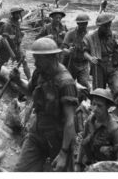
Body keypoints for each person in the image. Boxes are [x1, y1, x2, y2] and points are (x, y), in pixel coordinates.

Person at [11, 37, 79, 172]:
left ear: (51, 58)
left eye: (38, 60)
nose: (35, 64)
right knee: (20, 170)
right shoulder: (39, 73)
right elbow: (29, 91)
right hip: (37, 133)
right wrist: (18, 81)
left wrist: (64, 154)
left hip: (59, 139)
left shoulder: (66, 82)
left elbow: (70, 121)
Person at [83, 13, 118, 120]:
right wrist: (90, 59)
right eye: (105, 26)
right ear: (99, 26)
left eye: (109, 25)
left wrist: (117, 64)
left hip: (113, 66)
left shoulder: (115, 35)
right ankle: (97, 119)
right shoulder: (91, 37)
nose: (107, 28)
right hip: (98, 66)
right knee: (98, 94)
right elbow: (84, 52)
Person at [75, 88, 118, 171]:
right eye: (94, 104)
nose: (95, 108)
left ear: (107, 107)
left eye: (99, 106)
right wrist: (77, 164)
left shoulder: (114, 129)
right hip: (91, 164)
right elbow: (83, 143)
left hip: (107, 169)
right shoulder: (90, 121)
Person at [0, 6, 30, 88]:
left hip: (15, 46)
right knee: (1, 63)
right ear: (13, 15)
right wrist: (11, 53)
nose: (18, 15)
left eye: (19, 13)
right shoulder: (7, 25)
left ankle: (30, 80)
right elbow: (4, 40)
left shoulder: (17, 23)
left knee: (24, 61)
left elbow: (17, 35)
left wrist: (21, 37)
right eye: (17, 13)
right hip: (5, 48)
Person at [62, 13, 91, 91]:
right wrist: (68, 51)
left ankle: (86, 100)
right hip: (71, 63)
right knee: (69, 84)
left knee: (84, 84)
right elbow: (63, 49)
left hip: (84, 64)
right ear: (78, 24)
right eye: (82, 24)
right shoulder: (70, 34)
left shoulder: (89, 35)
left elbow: (92, 50)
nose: (84, 26)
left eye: (85, 24)